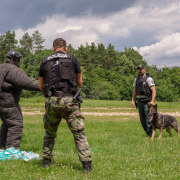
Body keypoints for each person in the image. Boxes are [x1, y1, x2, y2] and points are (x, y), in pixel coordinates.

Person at [39, 38, 92, 171]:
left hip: (52, 101)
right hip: (69, 101)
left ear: (53, 48)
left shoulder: (45, 61)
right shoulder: (72, 59)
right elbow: (79, 82)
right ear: (66, 48)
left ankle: (46, 162)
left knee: (49, 133)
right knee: (79, 134)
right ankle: (86, 165)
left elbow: (41, 86)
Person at [0, 51, 39, 149]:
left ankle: (2, 148)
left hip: (1, 102)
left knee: (7, 123)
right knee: (16, 124)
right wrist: (44, 86)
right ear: (17, 60)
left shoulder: (1, 67)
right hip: (8, 102)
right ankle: (12, 151)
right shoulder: (14, 70)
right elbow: (27, 83)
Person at [131, 64, 156, 137]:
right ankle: (148, 133)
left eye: (141, 69)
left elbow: (154, 90)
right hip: (139, 102)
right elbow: (134, 90)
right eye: (138, 69)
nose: (139, 70)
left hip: (147, 102)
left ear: (145, 70)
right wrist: (132, 100)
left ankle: (151, 134)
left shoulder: (149, 79)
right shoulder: (137, 79)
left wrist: (152, 101)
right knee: (142, 120)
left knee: (148, 119)